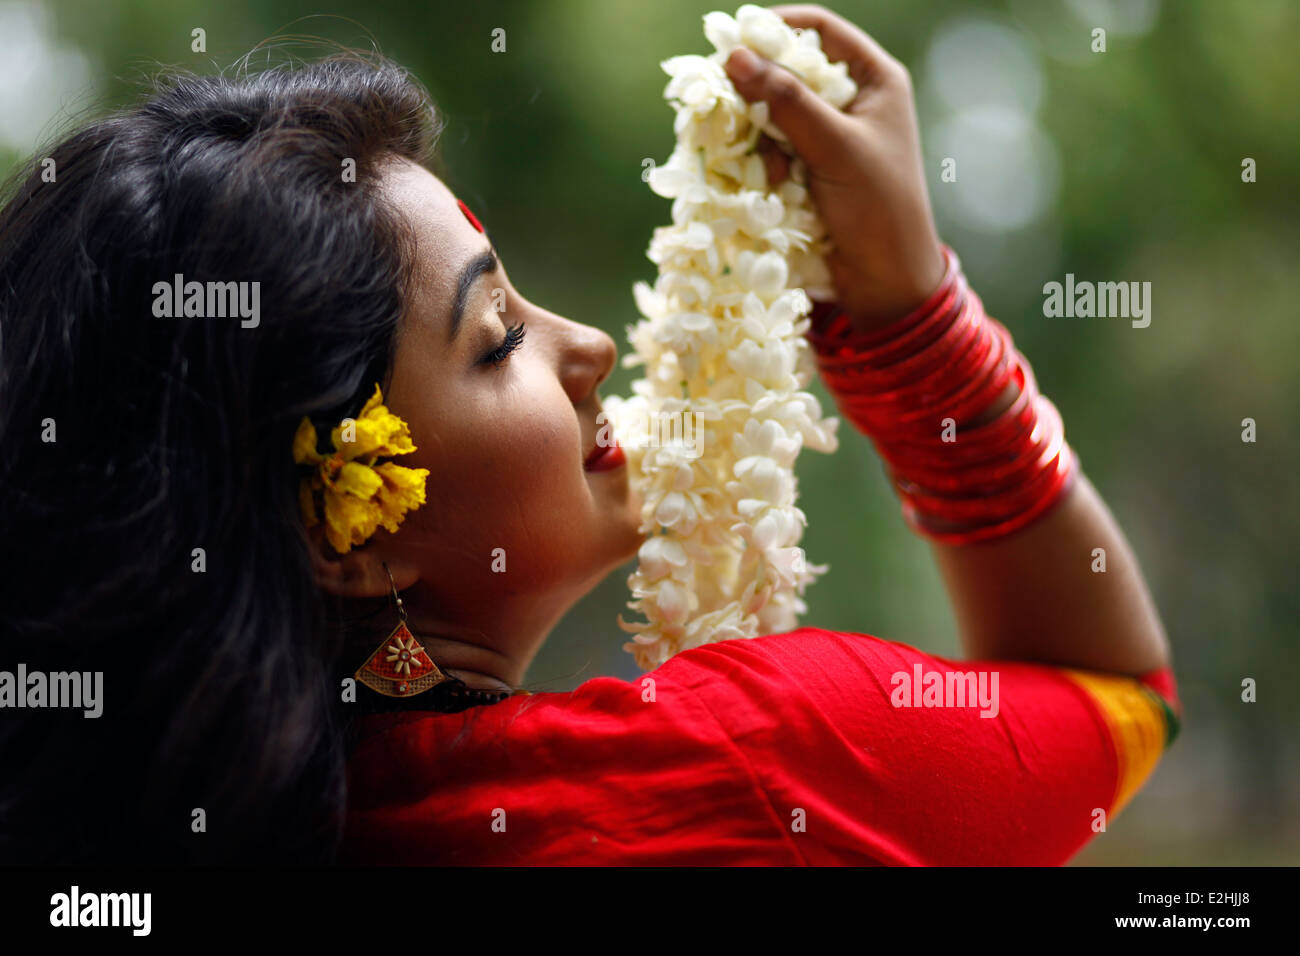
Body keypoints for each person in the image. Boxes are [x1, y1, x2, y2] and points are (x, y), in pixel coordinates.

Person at [0, 5, 1178, 866]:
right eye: (498, 335)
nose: (591, 347)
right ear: (344, 531)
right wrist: (908, 311)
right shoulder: (746, 765)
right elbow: (1118, 689)